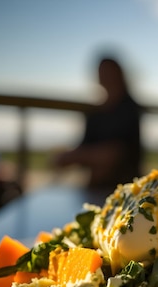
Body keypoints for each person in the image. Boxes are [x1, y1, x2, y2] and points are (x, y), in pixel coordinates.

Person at [54, 56, 143, 190]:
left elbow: (114, 154)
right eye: (102, 73)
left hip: (125, 189)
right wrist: (70, 156)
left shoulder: (129, 109)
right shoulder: (95, 113)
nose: (105, 77)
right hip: (95, 187)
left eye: (109, 73)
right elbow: (85, 147)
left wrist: (76, 156)